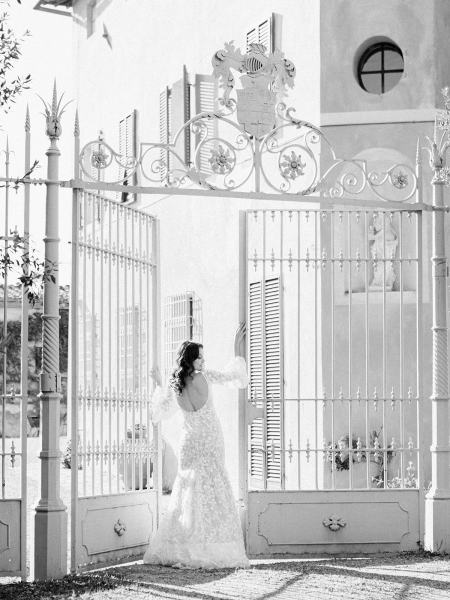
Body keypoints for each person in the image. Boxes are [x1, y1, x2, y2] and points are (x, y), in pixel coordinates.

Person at [143, 340, 249, 569]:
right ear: (190, 359)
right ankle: (211, 545)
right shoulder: (205, 376)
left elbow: (161, 411)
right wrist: (237, 351)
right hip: (210, 438)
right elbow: (235, 377)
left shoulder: (174, 382)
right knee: (213, 486)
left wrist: (159, 383)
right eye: (200, 357)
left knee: (187, 489)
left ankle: (183, 543)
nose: (204, 360)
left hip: (189, 441)